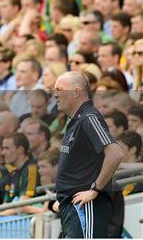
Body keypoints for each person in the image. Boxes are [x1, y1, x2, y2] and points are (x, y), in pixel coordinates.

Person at [53, 71, 123, 238]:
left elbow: (115, 153)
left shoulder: (89, 117)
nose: (55, 94)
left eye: (59, 90)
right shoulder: (76, 120)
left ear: (76, 92)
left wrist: (95, 189)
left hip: (86, 205)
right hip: (73, 206)